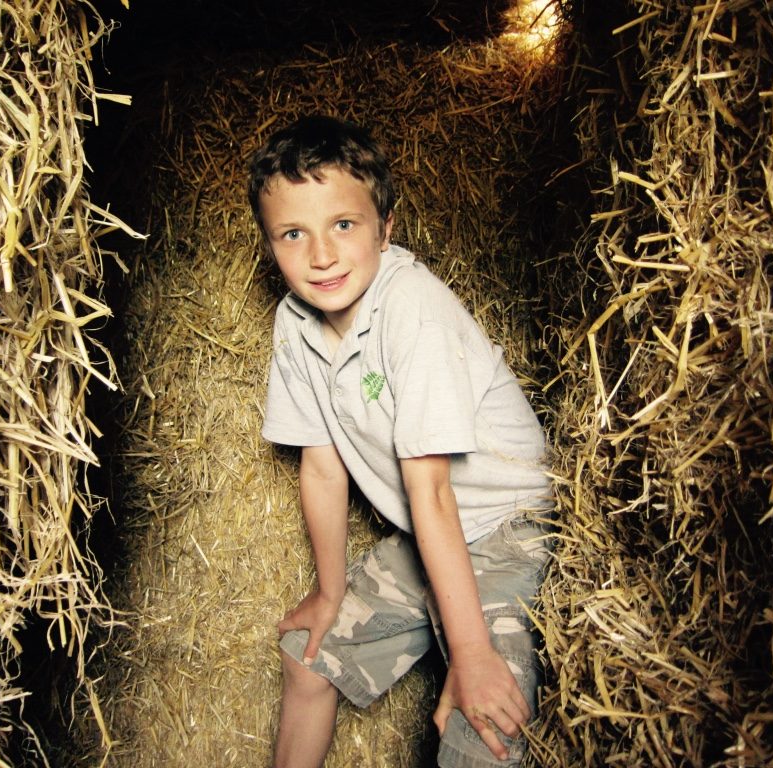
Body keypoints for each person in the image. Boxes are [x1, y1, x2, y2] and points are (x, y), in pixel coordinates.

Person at [248, 115, 553, 768]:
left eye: (344, 225)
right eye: (293, 234)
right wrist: (330, 594)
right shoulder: (295, 323)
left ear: (386, 227)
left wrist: (468, 654)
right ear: (270, 245)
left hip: (507, 525)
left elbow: (430, 488)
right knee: (308, 655)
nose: (321, 255)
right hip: (433, 533)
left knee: (484, 715)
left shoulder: (412, 306)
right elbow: (322, 468)